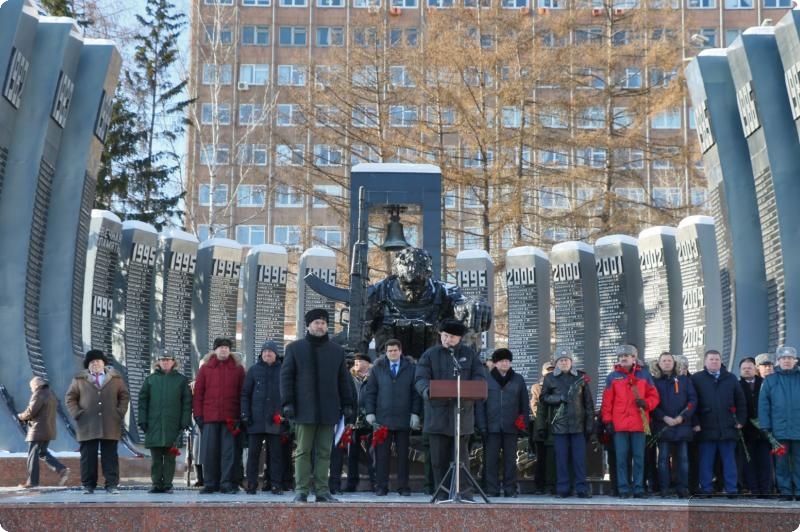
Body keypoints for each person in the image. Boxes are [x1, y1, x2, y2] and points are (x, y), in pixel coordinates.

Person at [280, 308, 355, 503]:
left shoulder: (336, 351)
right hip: (304, 409)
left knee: (324, 452)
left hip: (329, 409)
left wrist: (347, 403)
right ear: (308, 325)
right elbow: (286, 378)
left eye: (323, 323)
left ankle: (322, 490)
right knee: (303, 451)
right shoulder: (295, 348)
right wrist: (287, 402)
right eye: (316, 323)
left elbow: (343, 380)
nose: (320, 326)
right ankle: (302, 490)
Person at [363, 247, 492, 358]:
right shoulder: (376, 294)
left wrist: (473, 304)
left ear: (428, 275)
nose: (412, 290)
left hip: (436, 368)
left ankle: (463, 374)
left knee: (468, 324)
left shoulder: (444, 292)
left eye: (418, 284)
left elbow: (462, 303)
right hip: (389, 369)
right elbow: (356, 335)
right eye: (406, 284)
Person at [415, 318, 486, 501]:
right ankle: (442, 494)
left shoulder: (469, 355)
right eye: (445, 336)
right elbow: (420, 378)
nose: (447, 340)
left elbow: (479, 377)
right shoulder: (430, 354)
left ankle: (464, 493)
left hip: (461, 416)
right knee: (438, 460)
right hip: (437, 416)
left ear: (460, 338)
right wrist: (426, 390)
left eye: (452, 337)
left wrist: (477, 388)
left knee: (461, 459)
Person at [65, 349, 130, 495]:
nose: (95, 364)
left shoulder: (115, 378)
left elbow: (124, 396)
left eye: (98, 361)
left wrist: (119, 412)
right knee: (88, 457)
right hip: (87, 424)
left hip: (110, 423)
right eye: (92, 362)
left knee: (110, 456)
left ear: (103, 363)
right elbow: (70, 398)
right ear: (88, 365)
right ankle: (88, 485)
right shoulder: (79, 379)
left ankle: (112, 484)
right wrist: (77, 413)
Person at [363, 338, 422, 496]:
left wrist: (415, 413)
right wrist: (370, 412)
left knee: (403, 455)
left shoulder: (411, 368)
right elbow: (371, 392)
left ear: (400, 351)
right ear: (386, 352)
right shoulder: (378, 368)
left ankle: (403, 486)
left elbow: (416, 393)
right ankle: (381, 486)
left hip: (404, 419)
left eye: (395, 350)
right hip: (383, 419)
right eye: (389, 351)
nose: (392, 353)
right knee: (382, 456)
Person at [600, 344, 659, 499]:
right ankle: (623, 488)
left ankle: (638, 487)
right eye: (621, 357)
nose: (623, 359)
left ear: (634, 358)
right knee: (621, 458)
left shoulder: (644, 375)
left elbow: (654, 397)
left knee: (639, 458)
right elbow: (607, 402)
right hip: (620, 425)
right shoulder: (612, 377)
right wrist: (607, 421)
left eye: (627, 356)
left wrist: (646, 404)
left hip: (639, 424)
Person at [193, 337, 246, 494]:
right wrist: (198, 415)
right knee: (210, 452)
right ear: (215, 350)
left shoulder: (238, 369)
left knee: (228, 453)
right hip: (210, 418)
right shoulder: (206, 369)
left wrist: (241, 415)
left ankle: (226, 483)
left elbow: (243, 393)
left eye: (227, 347)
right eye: (221, 347)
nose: (224, 350)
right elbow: (199, 394)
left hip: (230, 418)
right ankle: (210, 483)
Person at [690, 349, 746, 498]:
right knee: (706, 462)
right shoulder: (697, 379)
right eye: (711, 359)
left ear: (721, 361)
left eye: (716, 359)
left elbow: (740, 401)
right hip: (705, 428)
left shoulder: (731, 378)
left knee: (729, 462)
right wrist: (695, 422)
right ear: (705, 362)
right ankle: (706, 489)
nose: (714, 362)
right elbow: (692, 403)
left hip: (728, 427)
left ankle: (731, 489)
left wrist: (740, 420)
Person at [540, 348, 593, 499]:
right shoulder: (550, 378)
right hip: (559, 426)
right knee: (561, 459)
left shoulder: (580, 378)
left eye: (566, 360)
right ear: (556, 363)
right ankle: (562, 488)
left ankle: (581, 488)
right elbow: (543, 398)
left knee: (579, 459)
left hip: (578, 425)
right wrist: (559, 398)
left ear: (571, 362)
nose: (564, 362)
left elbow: (588, 403)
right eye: (561, 360)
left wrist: (589, 424)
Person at [478, 348, 530, 498]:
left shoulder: (518, 379)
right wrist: (482, 425)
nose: (505, 363)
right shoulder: (486, 379)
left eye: (507, 361)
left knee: (510, 460)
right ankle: (491, 489)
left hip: (511, 426)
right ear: (495, 363)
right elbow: (480, 405)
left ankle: (510, 489)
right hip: (491, 426)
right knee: (491, 460)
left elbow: (524, 403)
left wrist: (523, 422)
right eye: (502, 361)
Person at [138, 352, 192, 494]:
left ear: (173, 362)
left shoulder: (181, 380)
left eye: (168, 360)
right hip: (153, 424)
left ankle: (167, 484)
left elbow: (187, 403)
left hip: (173, 425)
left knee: (170, 457)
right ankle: (156, 484)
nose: (165, 362)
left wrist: (185, 421)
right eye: (163, 360)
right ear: (158, 362)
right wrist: (142, 420)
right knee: (156, 457)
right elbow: (142, 401)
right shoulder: (150, 380)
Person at [649, 352, 696, 498]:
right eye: (664, 360)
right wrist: (664, 417)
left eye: (669, 360)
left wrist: (682, 417)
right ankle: (664, 488)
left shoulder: (684, 380)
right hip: (663, 426)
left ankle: (682, 488)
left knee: (683, 459)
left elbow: (693, 400)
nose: (667, 363)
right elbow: (652, 403)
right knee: (662, 459)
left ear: (674, 363)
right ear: (659, 363)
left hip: (682, 425)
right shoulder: (654, 381)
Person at [241, 340, 285, 495]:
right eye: (265, 351)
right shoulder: (253, 370)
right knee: (253, 454)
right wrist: (245, 414)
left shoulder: (283, 370)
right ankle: (251, 484)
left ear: (276, 354)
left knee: (275, 455)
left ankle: (275, 484)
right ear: (261, 353)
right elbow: (245, 394)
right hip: (256, 419)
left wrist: (285, 415)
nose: (267, 354)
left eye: (270, 351)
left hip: (275, 420)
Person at [759, 346, 800, 501]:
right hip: (778, 431)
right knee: (781, 462)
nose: (787, 361)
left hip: (798, 429)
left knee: (799, 462)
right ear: (778, 361)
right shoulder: (770, 380)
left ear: (795, 360)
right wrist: (765, 426)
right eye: (783, 358)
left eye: (790, 358)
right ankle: (785, 491)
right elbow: (763, 405)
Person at [17, 376, 69, 489]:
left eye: (31, 387)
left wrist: (20, 417)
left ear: (36, 385)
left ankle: (32, 482)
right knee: (42, 452)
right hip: (48, 430)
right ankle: (61, 469)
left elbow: (31, 411)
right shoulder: (51, 394)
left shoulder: (38, 393)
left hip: (37, 430)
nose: (31, 390)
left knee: (32, 455)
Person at [738, 356, 773, 497]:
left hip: (764, 430)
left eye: (750, 368)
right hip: (746, 431)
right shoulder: (736, 385)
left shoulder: (765, 383)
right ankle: (754, 489)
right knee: (748, 461)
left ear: (755, 369)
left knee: (765, 462)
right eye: (744, 368)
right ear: (740, 370)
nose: (747, 370)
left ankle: (765, 490)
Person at [345, 353, 375, 492]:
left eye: (360, 361)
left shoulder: (374, 378)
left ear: (368, 363)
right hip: (353, 420)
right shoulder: (349, 378)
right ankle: (351, 483)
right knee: (352, 454)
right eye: (355, 361)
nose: (356, 363)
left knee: (372, 453)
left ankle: (375, 483)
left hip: (370, 421)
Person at [530, 360, 556, 495]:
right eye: (548, 370)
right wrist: (543, 421)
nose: (550, 373)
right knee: (541, 458)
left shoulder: (558, 385)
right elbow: (534, 406)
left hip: (556, 429)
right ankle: (539, 486)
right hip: (541, 428)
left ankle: (552, 484)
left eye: (553, 370)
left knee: (553, 459)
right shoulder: (536, 387)